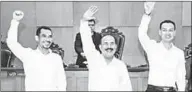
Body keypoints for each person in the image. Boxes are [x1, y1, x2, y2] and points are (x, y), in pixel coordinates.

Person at [6, 10, 66, 91]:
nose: (47, 39)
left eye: (50, 36)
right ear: (37, 38)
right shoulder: (29, 55)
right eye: (44, 36)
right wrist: (15, 21)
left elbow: (62, 82)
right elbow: (11, 43)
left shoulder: (57, 58)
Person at [79, 6, 132, 91]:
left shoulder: (121, 66)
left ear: (116, 47)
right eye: (106, 44)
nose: (109, 47)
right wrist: (84, 21)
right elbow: (86, 40)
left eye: (112, 44)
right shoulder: (94, 59)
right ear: (100, 47)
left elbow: (127, 89)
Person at [138, 2, 186, 91]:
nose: (167, 33)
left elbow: (181, 77)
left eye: (170, 30)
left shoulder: (179, 53)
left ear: (174, 33)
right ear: (160, 32)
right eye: (164, 30)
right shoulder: (152, 47)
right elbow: (141, 34)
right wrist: (147, 14)